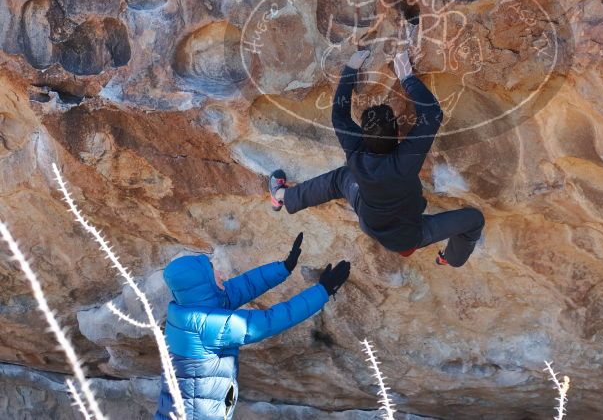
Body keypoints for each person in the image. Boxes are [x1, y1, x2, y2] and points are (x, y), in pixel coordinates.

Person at [268, 36, 485, 267]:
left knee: (340, 178)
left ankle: (281, 196)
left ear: (363, 134)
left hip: (370, 220)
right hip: (408, 237)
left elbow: (339, 115)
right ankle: (451, 259)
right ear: (397, 133)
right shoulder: (405, 161)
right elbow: (432, 115)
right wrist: (407, 78)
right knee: (475, 220)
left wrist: (350, 70)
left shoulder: (356, 150)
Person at [154, 233, 350, 419]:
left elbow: (241, 288)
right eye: (213, 271)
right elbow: (269, 321)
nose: (220, 273)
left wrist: (283, 268)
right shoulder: (207, 325)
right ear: (202, 283)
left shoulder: (185, 311)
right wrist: (322, 291)